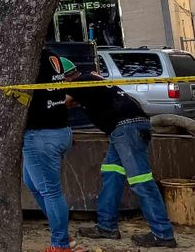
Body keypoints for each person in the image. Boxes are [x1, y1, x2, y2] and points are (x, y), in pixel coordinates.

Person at [60, 57, 177, 248]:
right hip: (123, 130)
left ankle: (163, 234)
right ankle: (107, 226)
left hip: (126, 130)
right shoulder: (92, 81)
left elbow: (64, 103)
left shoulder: (82, 83)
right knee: (112, 174)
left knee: (141, 181)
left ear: (64, 78)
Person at [24, 51, 78, 252]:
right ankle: (63, 234)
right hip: (60, 130)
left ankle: (60, 244)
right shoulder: (52, 57)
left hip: (41, 134)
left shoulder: (28, 58)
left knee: (50, 191)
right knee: (33, 183)